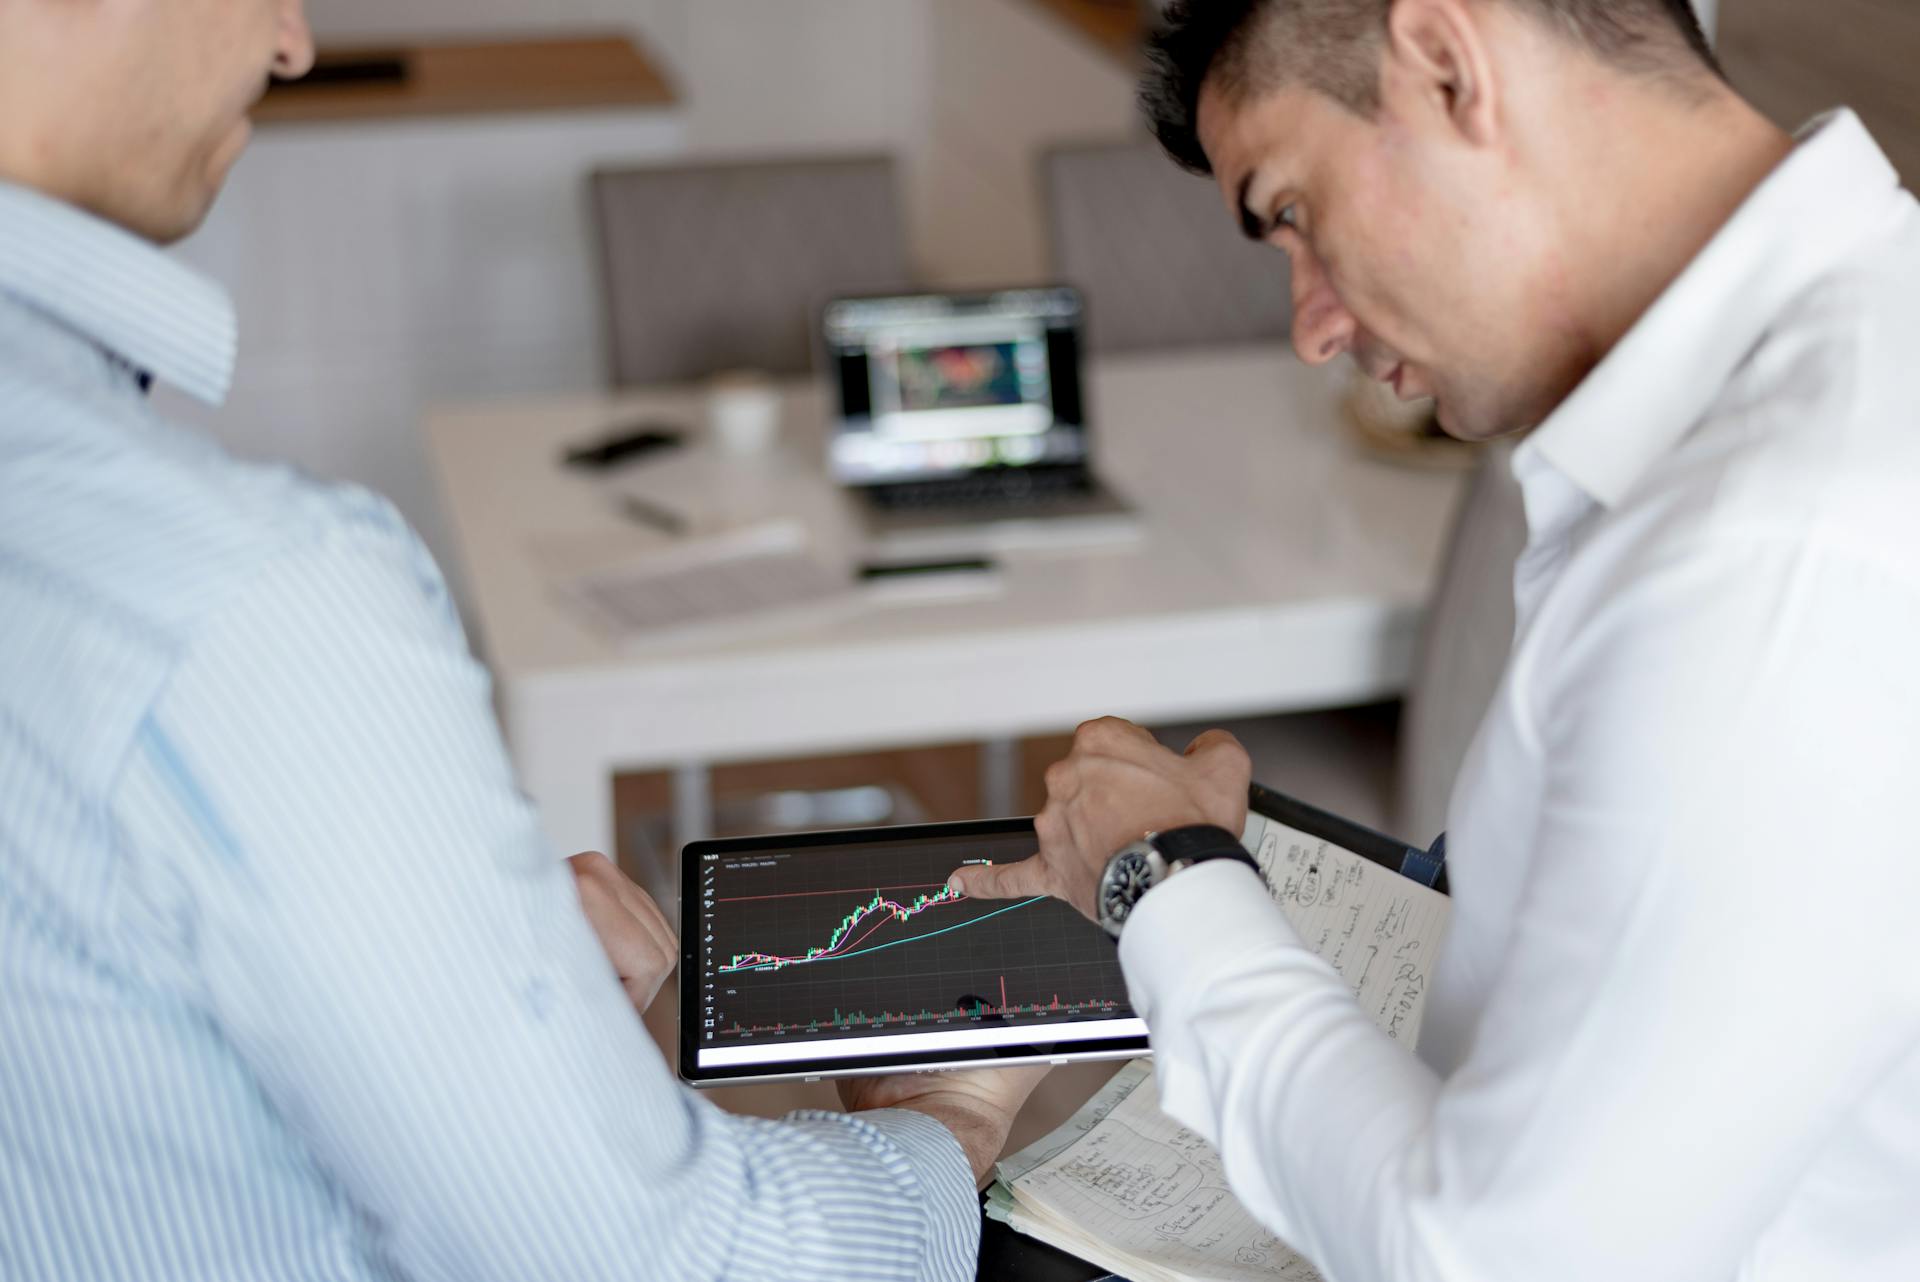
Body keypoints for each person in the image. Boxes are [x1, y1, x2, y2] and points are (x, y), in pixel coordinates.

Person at [0, 2, 1040, 1278]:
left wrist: (432, 985)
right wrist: (952, 1123)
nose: (291, 44)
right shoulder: (251, 594)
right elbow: (653, 1259)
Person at [950, 0, 1920, 1278]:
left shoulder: (1773, 550)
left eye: (1292, 210)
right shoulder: (1822, 380)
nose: (1312, 326)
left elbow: (1502, 1260)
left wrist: (1164, 878)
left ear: (1450, 64)